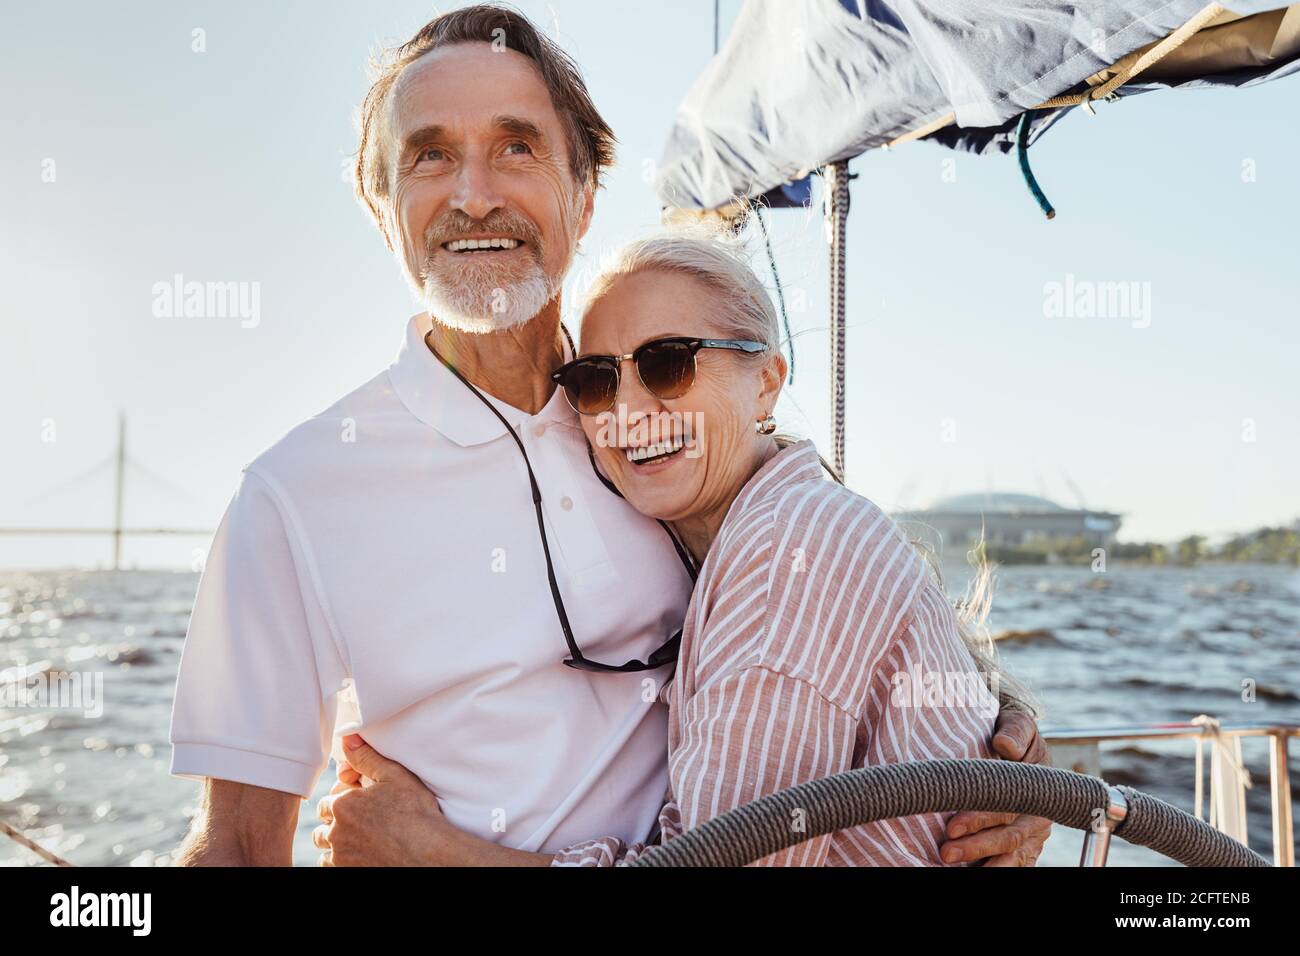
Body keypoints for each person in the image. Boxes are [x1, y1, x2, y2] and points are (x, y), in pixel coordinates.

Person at [170, 3, 1049, 867]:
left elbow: (841, 604)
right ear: (380, 203)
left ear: (584, 198)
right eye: (430, 155)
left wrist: (990, 729)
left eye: (517, 146)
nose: (474, 196)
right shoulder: (293, 494)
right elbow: (237, 847)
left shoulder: (647, 434)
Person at [319, 231, 1048, 866]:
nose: (629, 410)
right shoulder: (756, 526)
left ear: (766, 382)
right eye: (594, 380)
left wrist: (432, 855)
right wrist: (1011, 734)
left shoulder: (781, 552)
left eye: (668, 363)